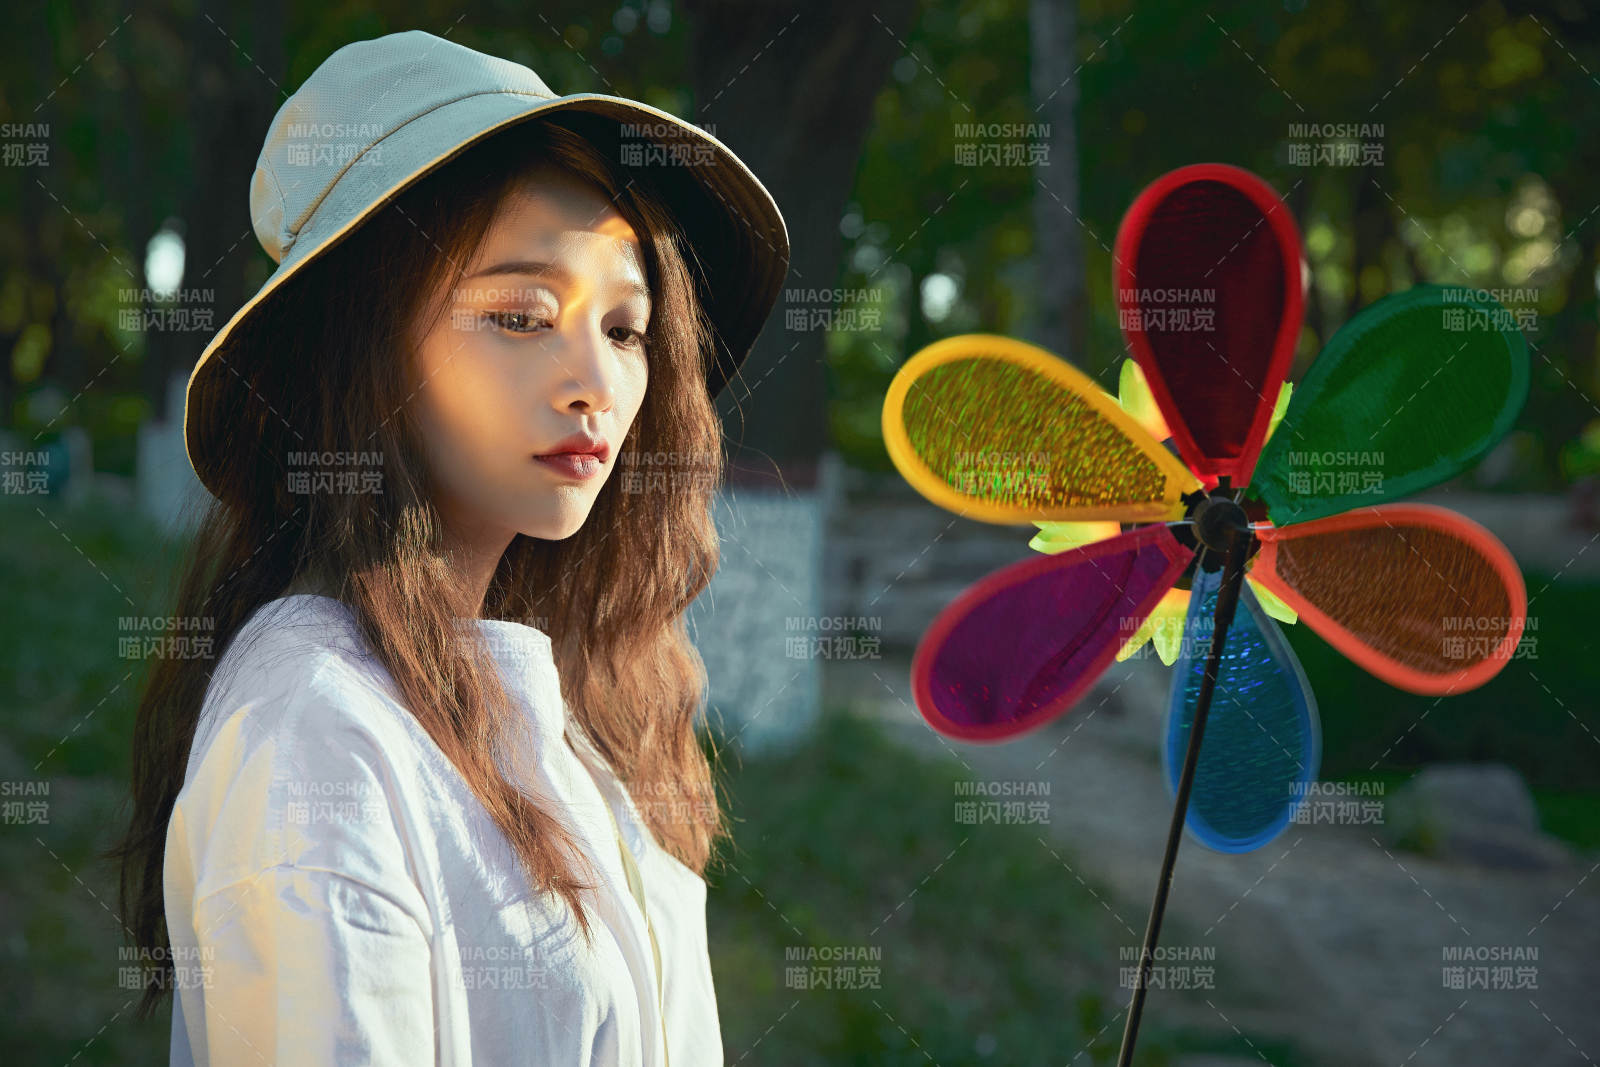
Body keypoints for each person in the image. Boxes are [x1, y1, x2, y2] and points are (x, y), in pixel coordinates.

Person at [110, 29, 789, 1066]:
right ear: (363, 347)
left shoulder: (566, 699)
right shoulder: (317, 725)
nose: (596, 383)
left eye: (624, 328)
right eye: (520, 314)